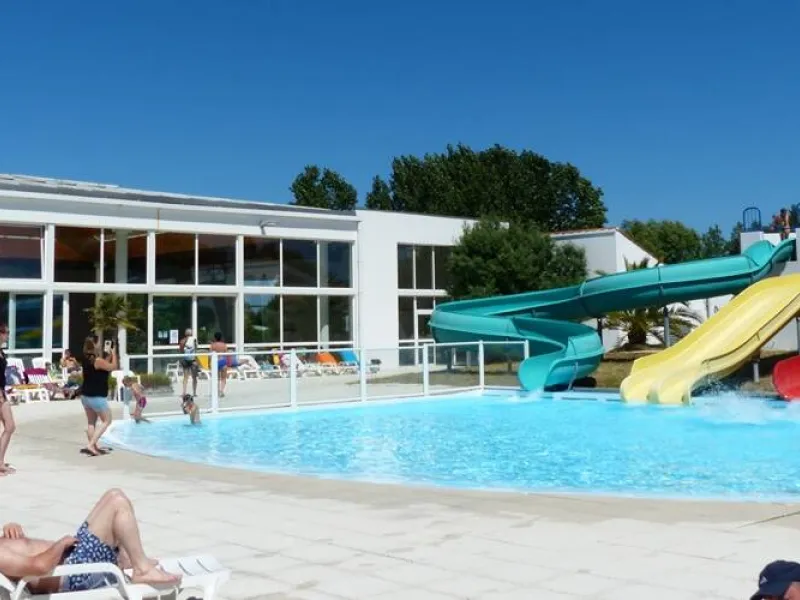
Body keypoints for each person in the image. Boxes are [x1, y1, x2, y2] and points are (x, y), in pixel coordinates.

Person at [0, 488, 181, 593]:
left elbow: (26, 554)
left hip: (74, 562)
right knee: (117, 503)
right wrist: (61, 544)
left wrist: (13, 531)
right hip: (74, 574)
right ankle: (141, 569)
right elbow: (39, 566)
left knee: (113, 495)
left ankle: (129, 559)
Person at [80, 337, 118, 456]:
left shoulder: (86, 359)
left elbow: (103, 365)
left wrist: (108, 355)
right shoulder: (97, 360)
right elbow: (113, 367)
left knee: (91, 422)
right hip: (96, 396)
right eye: (98, 343)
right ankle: (91, 445)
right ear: (94, 345)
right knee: (107, 420)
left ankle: (94, 447)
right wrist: (114, 353)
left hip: (85, 395)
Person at [0, 324, 15, 475]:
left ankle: (0, 462)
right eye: (6, 333)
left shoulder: (1, 351)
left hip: (2, 392)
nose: (8, 336)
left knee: (10, 426)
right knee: (9, 426)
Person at [178, 328, 198, 398]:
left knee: (185, 377)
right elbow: (196, 349)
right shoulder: (194, 340)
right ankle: (194, 393)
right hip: (193, 360)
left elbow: (181, 350)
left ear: (185, 334)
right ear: (191, 334)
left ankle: (184, 392)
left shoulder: (182, 341)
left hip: (185, 359)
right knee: (194, 377)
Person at [209, 332, 228, 398]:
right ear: (221, 337)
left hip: (215, 362)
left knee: (216, 379)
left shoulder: (213, 345)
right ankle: (221, 391)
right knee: (223, 378)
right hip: (223, 361)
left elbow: (210, 355)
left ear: (214, 338)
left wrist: (209, 363)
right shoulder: (224, 345)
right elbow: (226, 354)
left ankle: (217, 391)